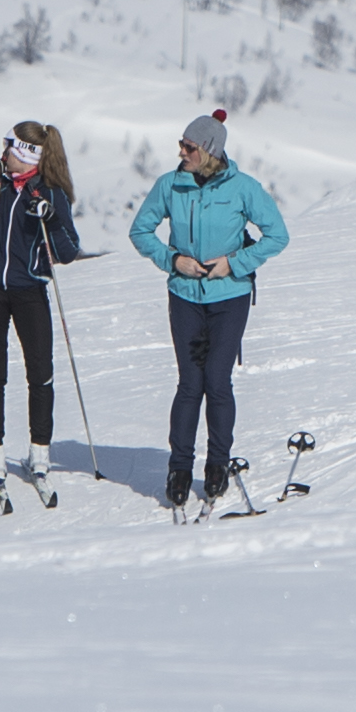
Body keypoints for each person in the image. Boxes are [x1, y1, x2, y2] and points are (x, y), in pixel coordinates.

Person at [124, 109, 289, 508]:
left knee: (217, 381)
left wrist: (234, 264)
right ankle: (179, 468)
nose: (181, 152)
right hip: (184, 297)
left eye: (189, 146)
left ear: (210, 151)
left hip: (229, 298)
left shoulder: (243, 188)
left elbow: (277, 235)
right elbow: (140, 230)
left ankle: (217, 464)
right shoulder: (171, 185)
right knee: (189, 384)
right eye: (182, 144)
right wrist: (172, 260)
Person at [0, 118, 86, 489]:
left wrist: (50, 217)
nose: (3, 151)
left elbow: (69, 250)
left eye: (8, 145)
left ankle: (39, 453)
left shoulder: (50, 191)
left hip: (30, 290)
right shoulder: (1, 186)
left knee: (40, 372)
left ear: (25, 153)